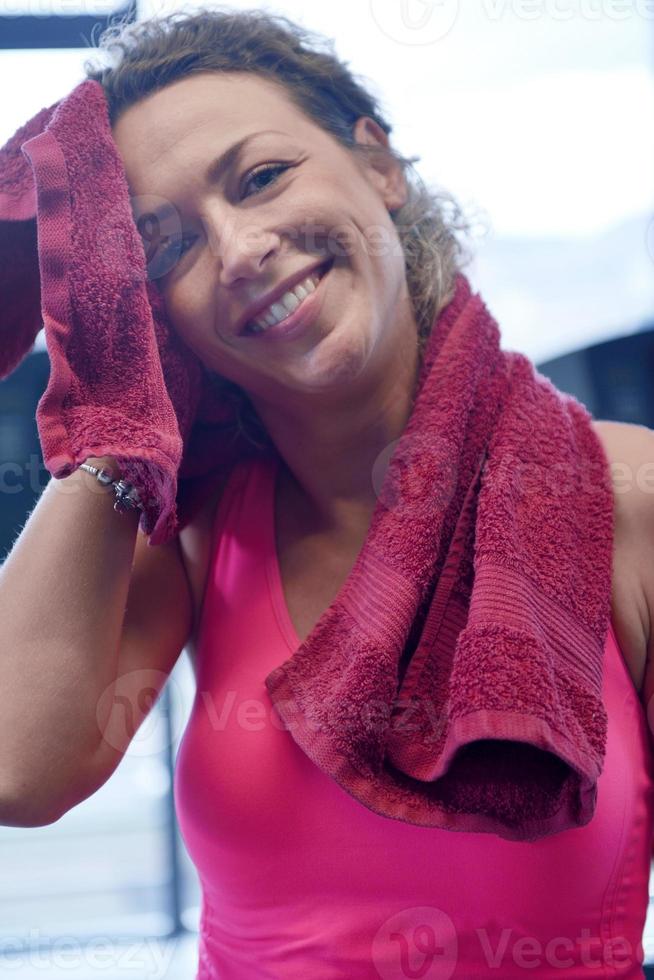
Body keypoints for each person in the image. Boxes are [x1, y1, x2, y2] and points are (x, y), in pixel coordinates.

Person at [1, 7, 653, 977]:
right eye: (167, 246)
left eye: (261, 178)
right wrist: (114, 420)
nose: (239, 248)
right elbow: (18, 765)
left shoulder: (624, 496)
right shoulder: (198, 529)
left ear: (378, 166)